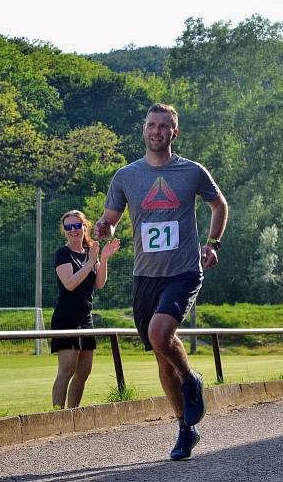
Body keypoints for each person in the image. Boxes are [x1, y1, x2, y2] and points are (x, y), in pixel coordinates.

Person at [95, 103, 228, 460]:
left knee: (159, 334)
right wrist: (104, 228)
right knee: (161, 355)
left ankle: (191, 380)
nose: (157, 131)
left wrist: (213, 244)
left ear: (175, 132)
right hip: (145, 276)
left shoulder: (191, 172)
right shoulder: (126, 176)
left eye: (164, 126)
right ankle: (186, 429)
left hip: (183, 270)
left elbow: (219, 205)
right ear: (143, 130)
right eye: (151, 125)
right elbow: (111, 219)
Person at [51, 209, 120, 409]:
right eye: (68, 227)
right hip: (66, 318)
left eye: (77, 226)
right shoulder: (62, 254)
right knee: (67, 368)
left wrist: (103, 259)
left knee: (84, 371)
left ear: (85, 226)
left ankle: (73, 414)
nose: (73, 230)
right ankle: (57, 415)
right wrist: (91, 261)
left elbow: (99, 284)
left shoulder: (90, 251)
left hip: (85, 318)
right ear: (64, 231)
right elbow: (70, 284)